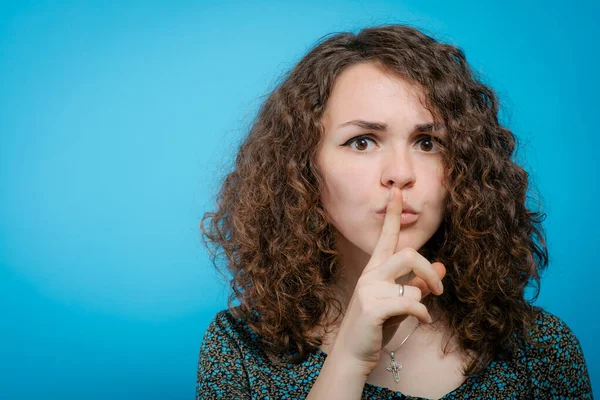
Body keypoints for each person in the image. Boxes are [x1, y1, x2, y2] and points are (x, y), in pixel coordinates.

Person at [196, 24, 593, 399]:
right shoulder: (240, 351)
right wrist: (349, 361)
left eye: (427, 143)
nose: (401, 174)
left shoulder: (538, 350)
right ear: (303, 166)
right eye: (363, 141)